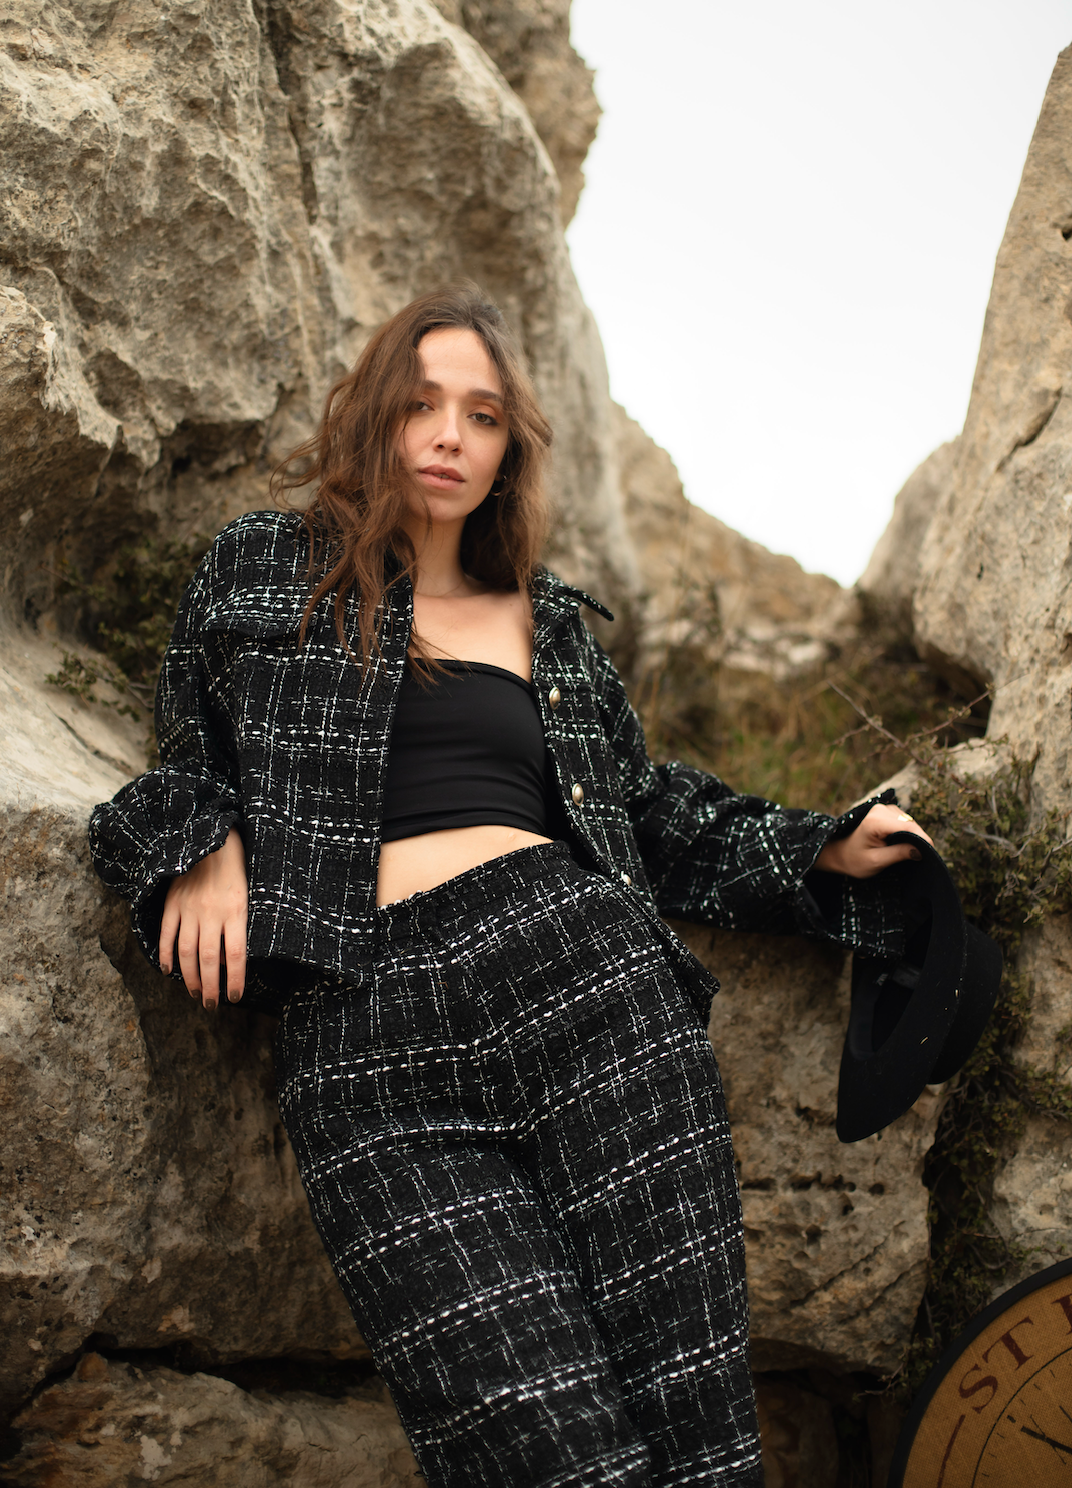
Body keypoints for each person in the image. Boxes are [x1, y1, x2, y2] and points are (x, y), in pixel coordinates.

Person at [90, 285, 929, 1488]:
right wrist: (200, 841)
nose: (448, 435)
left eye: (482, 416)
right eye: (422, 403)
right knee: (534, 1449)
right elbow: (183, 751)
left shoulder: (552, 628)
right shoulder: (265, 564)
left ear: (507, 451)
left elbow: (641, 811)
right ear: (373, 415)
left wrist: (815, 849)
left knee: (700, 1440)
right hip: (362, 1032)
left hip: (586, 990)